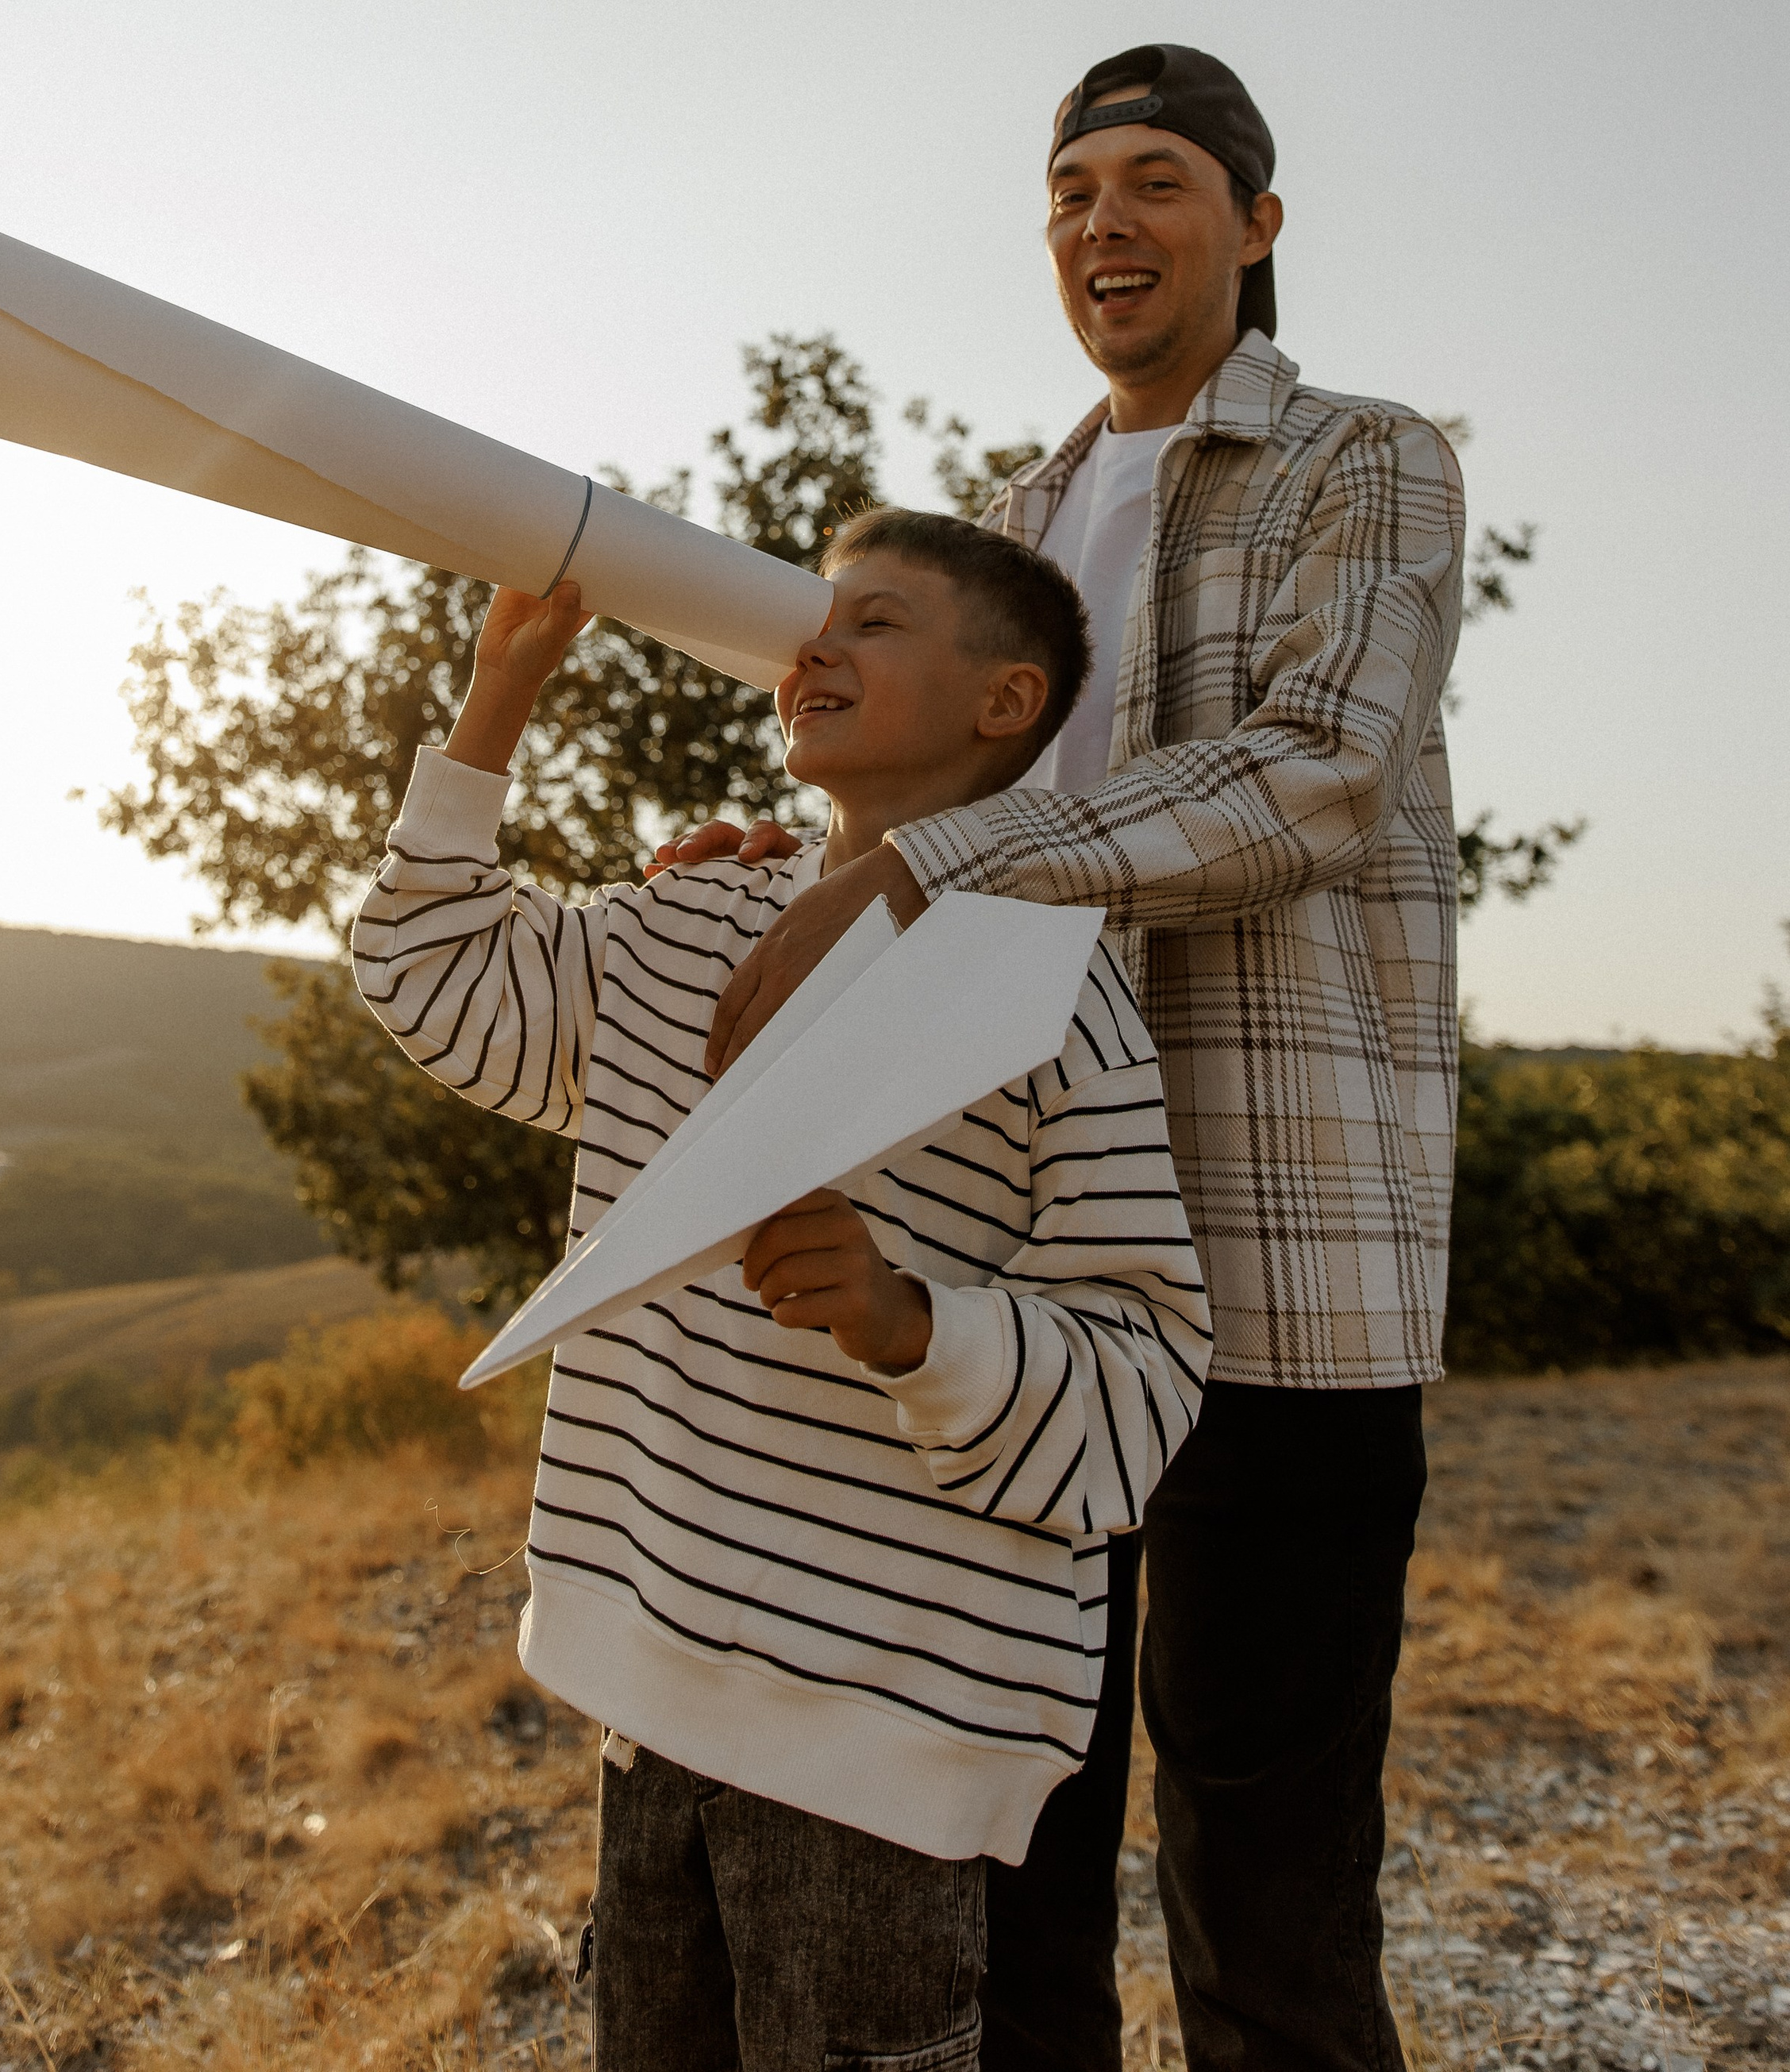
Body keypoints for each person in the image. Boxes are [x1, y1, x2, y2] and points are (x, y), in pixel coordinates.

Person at [666, 44, 1466, 2072]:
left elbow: (1320, 771)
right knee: (1005, 1877)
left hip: (1286, 1283)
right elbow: (916, 804)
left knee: (1265, 1902)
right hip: (1018, 1274)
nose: (1102, 222)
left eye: (1157, 183)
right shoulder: (1002, 525)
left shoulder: (1365, 462)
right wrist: (815, 848)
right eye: (1069, 192)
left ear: (1255, 227)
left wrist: (932, 854)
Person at [350, 507, 1211, 2072]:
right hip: (643, 1694)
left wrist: (908, 1323)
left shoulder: (1055, 991)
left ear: (1002, 702)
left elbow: (1141, 1376)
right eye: (815, 618)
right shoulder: (693, 909)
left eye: (876, 622)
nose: (817, 643)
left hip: (879, 1752)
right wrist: (495, 700)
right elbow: (439, 980)